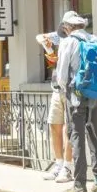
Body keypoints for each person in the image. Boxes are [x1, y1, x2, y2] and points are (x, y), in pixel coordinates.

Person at [52, 11, 97, 192]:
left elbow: (61, 75)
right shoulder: (95, 39)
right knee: (95, 136)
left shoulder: (68, 42)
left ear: (67, 27)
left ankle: (79, 185)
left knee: (77, 137)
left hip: (76, 95)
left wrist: (63, 91)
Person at [36, 27, 74, 183]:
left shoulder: (78, 41)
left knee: (68, 128)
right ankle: (58, 164)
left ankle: (67, 167)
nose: (65, 29)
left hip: (71, 88)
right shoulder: (61, 36)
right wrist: (48, 46)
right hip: (57, 88)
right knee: (54, 124)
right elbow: (39, 36)